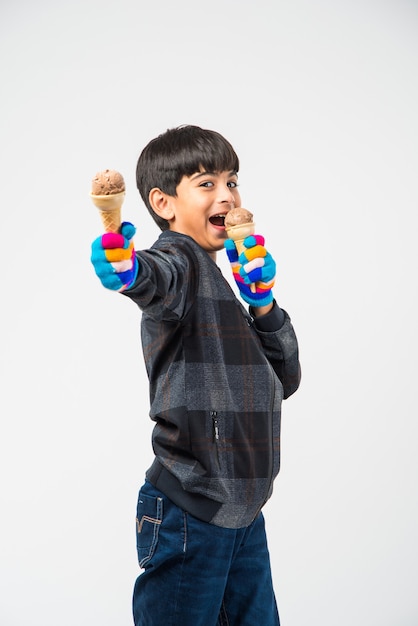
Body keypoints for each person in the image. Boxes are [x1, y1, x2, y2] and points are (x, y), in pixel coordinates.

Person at [90, 125, 301, 626]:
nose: (227, 194)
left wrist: (262, 302)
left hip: (244, 514)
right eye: (207, 183)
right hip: (193, 510)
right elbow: (149, 277)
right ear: (164, 203)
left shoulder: (225, 286)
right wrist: (124, 266)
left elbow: (285, 379)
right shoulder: (180, 264)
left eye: (232, 181)